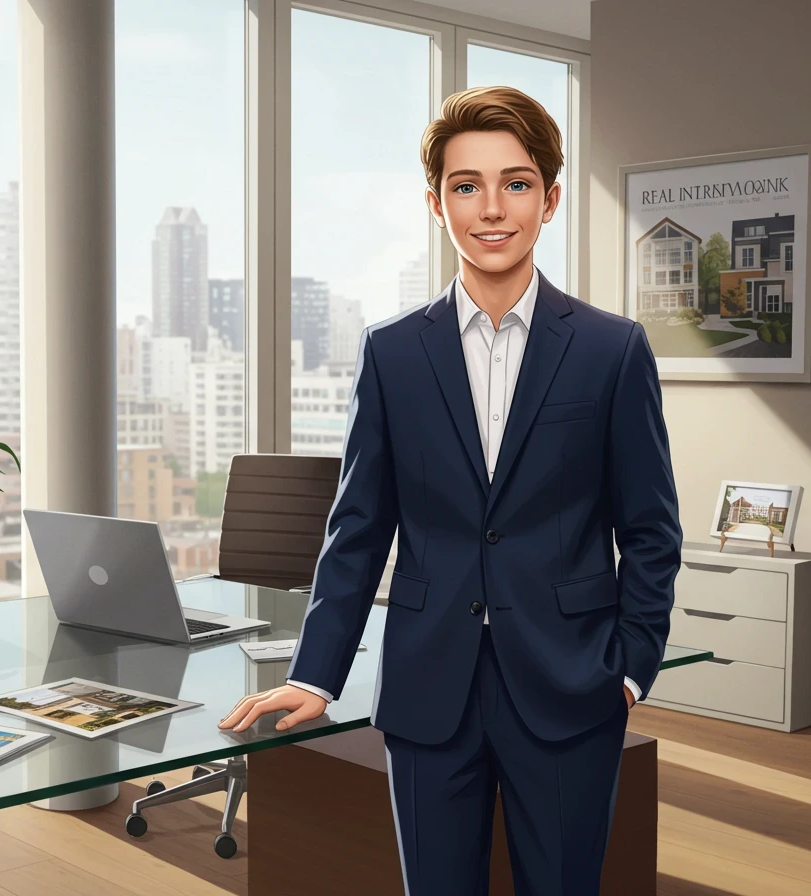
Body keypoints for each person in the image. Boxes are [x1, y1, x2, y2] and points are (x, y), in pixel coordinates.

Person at [219, 85, 682, 895]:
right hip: (429, 689)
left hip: (573, 686)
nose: (492, 208)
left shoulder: (612, 350)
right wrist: (316, 673)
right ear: (436, 203)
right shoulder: (391, 352)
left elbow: (651, 529)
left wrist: (632, 667)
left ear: (550, 200)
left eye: (516, 183)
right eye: (467, 186)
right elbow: (358, 528)